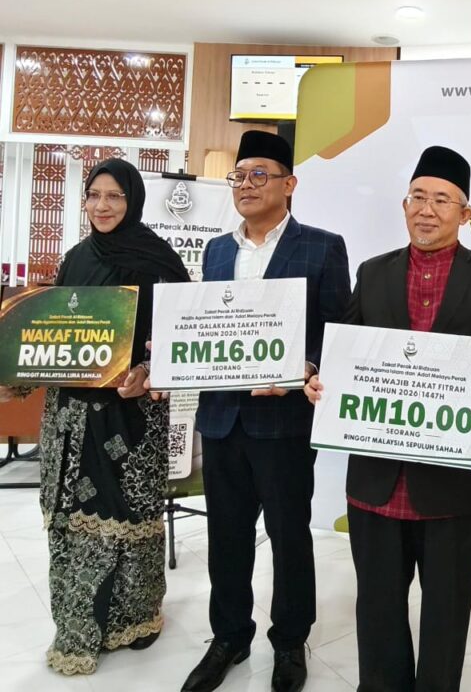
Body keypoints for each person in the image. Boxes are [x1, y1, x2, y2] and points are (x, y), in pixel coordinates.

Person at [305, 145, 471, 691]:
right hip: (376, 481)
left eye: (441, 200)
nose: (426, 210)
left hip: (453, 484)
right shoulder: (373, 273)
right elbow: (344, 350)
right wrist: (320, 377)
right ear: (404, 204)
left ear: (465, 212)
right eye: (417, 197)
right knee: (377, 606)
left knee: (446, 612)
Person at [0, 158, 190, 675]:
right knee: (72, 523)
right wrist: (17, 375)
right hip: (70, 419)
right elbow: (54, 336)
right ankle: (78, 631)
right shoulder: (75, 260)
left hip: (131, 418)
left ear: (134, 200)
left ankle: (136, 618)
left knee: (131, 519)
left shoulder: (159, 261)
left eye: (114, 196)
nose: (102, 206)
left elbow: (181, 340)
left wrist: (148, 371)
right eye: (94, 195)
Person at [181, 131, 350, 692]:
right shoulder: (217, 250)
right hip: (221, 420)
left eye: (260, 175)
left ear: (289, 184)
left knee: (289, 535)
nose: (246, 185)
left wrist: (305, 366)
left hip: (283, 424)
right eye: (239, 176)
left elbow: (338, 331)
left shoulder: (322, 247)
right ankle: (229, 637)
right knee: (226, 537)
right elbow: (207, 328)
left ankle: (290, 640)